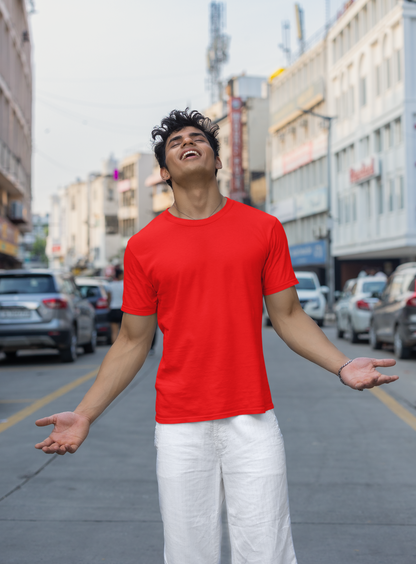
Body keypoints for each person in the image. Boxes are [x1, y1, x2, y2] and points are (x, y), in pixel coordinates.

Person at [35, 109, 398, 564]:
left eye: (198, 137)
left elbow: (287, 315)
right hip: (179, 424)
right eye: (176, 141)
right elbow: (132, 341)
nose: (189, 141)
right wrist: (86, 413)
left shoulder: (263, 228)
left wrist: (342, 365)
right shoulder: (143, 246)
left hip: (253, 419)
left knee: (266, 549)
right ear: (165, 172)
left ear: (217, 159)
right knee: (189, 554)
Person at [108, 269, 124, 344]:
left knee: (114, 332)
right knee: (124, 333)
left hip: (113, 309)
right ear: (120, 275)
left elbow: (109, 298)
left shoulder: (111, 285)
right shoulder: (125, 284)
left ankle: (113, 349)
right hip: (123, 309)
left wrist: (108, 306)